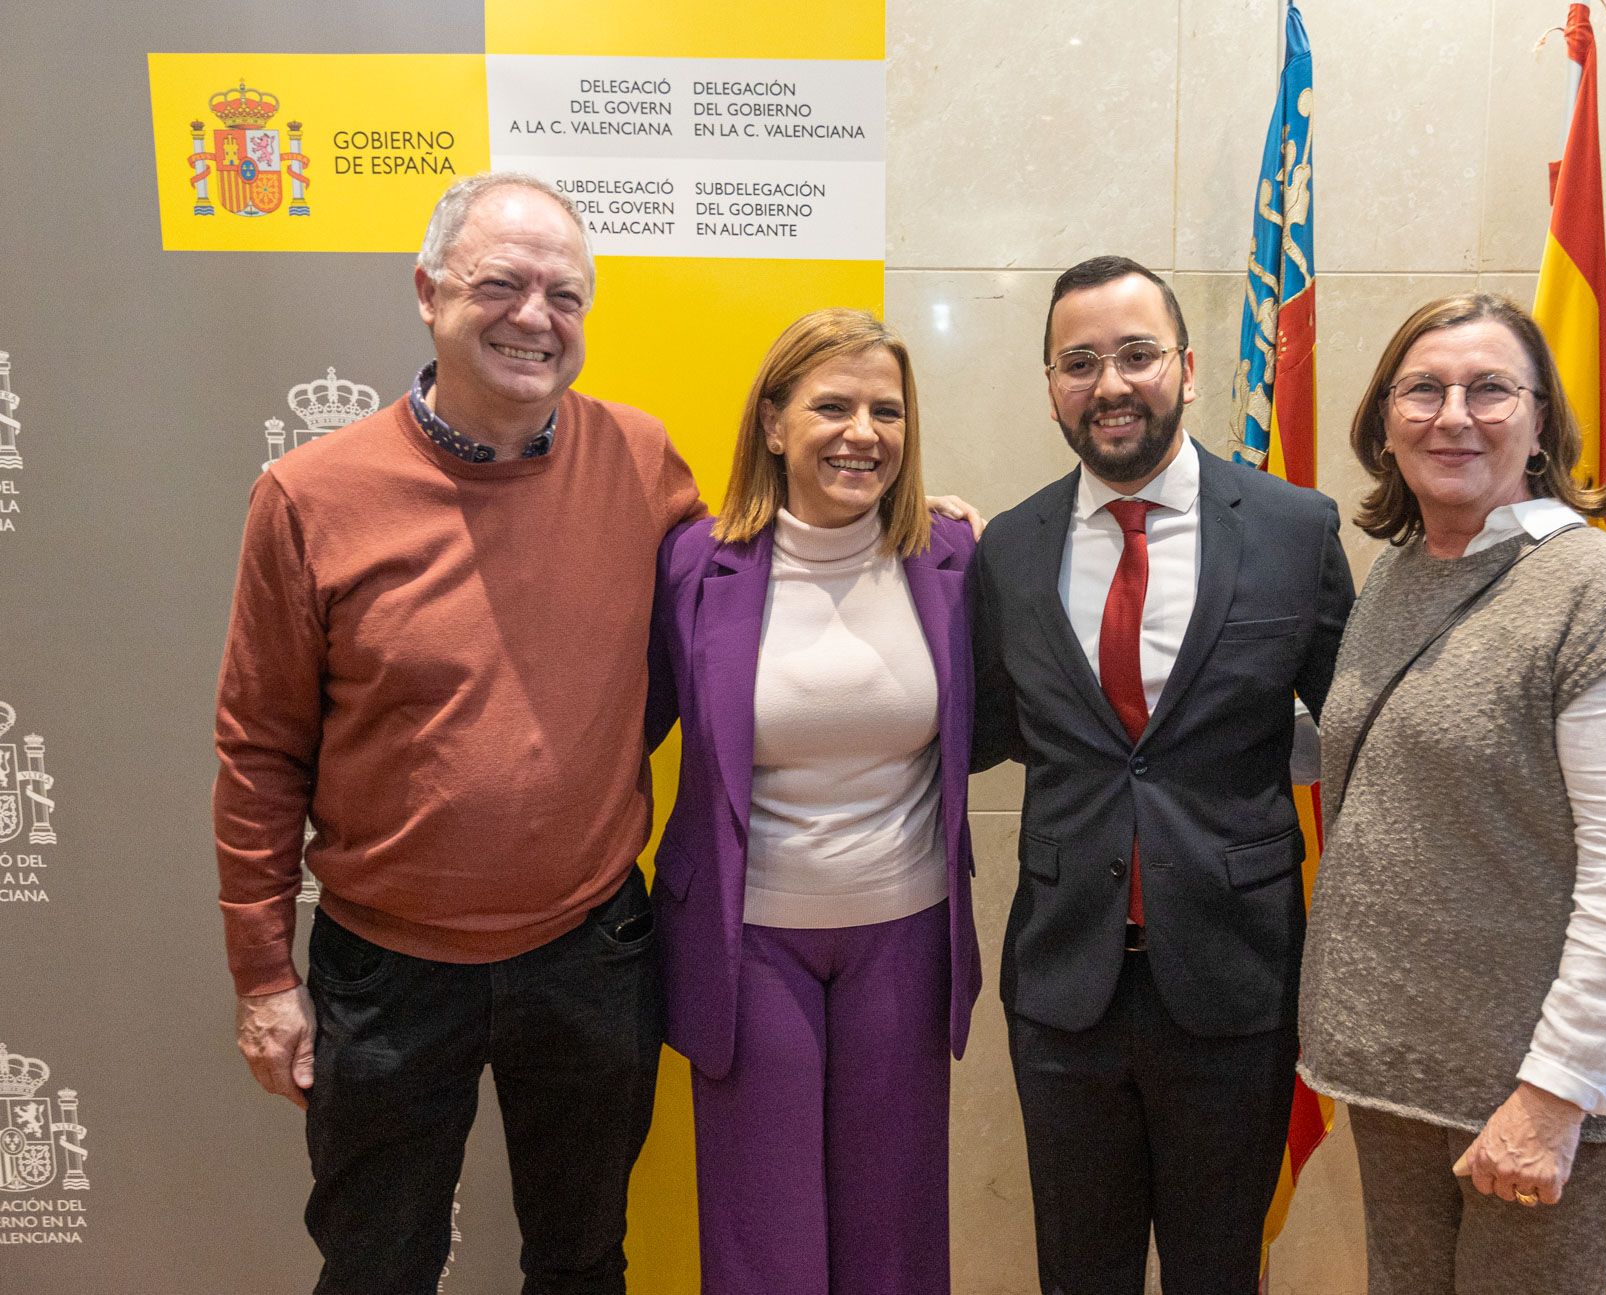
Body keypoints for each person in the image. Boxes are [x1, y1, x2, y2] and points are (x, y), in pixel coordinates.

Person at [213, 171, 702, 1293]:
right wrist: (260, 974)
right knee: (379, 1263)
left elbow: (747, 591)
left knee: (583, 1260)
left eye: (565, 294)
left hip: (591, 950)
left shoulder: (641, 458)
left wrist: (919, 530)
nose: (537, 316)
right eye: (502, 284)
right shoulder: (308, 496)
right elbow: (258, 747)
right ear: (428, 292)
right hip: (385, 968)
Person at [1297, 293, 1606, 1294]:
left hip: (1539, 1077)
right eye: (1423, 388)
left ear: (1541, 421)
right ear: (1384, 420)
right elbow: (1397, 754)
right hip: (1402, 1064)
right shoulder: (1403, 573)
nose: (1454, 414)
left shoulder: (1604, 591)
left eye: (1490, 388)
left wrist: (1555, 1097)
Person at [970, 255, 1354, 1293]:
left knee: (1217, 1269)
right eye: (1079, 361)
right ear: (1050, 383)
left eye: (1136, 354)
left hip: (1235, 980)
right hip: (1064, 987)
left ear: (1185, 367)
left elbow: (1357, 737)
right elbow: (980, 729)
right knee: (1077, 1272)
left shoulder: (1294, 530)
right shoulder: (1006, 550)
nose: (1110, 384)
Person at [646, 308, 980, 1295]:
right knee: (764, 1241)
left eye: (887, 409)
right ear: (775, 424)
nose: (862, 431)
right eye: (832, 405)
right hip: (748, 945)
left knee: (896, 1233)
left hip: (906, 932)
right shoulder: (692, 567)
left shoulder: (956, 558)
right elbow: (626, 725)